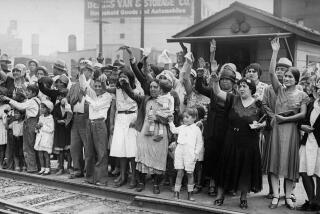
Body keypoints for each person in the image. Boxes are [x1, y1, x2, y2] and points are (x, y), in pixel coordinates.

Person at [265, 38, 309, 210]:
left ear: (296, 79)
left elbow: (303, 114)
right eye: (285, 76)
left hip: (291, 131)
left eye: (290, 76)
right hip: (277, 131)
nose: (286, 78)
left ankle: (288, 198)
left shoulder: (302, 95)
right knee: (275, 163)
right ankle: (276, 196)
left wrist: (285, 119)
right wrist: (275, 51)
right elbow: (270, 73)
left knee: (290, 165)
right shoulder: (279, 90)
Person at [213, 75, 266, 209]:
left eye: (244, 86)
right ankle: (220, 196)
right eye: (239, 86)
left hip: (249, 142)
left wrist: (260, 125)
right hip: (231, 140)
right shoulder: (232, 99)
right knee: (226, 166)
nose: (241, 89)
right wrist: (215, 80)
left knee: (245, 169)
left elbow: (266, 121)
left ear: (251, 89)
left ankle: (243, 198)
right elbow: (218, 92)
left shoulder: (258, 104)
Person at [121, 78, 169, 194]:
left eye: (155, 87)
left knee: (158, 156)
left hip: (160, 131)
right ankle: (141, 182)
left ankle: (156, 184)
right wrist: (126, 85)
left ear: (160, 89)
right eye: (151, 87)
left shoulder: (166, 100)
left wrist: (157, 118)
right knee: (142, 156)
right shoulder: (145, 99)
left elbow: (170, 117)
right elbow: (133, 95)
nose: (152, 89)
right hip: (145, 131)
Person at [109, 68, 142, 188]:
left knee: (131, 150)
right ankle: (123, 176)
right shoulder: (117, 89)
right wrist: (112, 124)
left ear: (130, 78)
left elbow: (140, 106)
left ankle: (133, 177)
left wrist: (137, 120)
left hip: (132, 118)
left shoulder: (136, 90)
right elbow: (113, 105)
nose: (122, 78)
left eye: (125, 76)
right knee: (121, 150)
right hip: (120, 119)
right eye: (120, 76)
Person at [81, 71, 113, 186]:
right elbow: (83, 84)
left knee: (101, 152)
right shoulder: (93, 95)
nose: (98, 88)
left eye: (100, 86)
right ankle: (89, 177)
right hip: (90, 123)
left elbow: (96, 106)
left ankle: (101, 179)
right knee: (89, 152)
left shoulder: (108, 96)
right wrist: (84, 73)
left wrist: (87, 97)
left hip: (100, 124)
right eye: (96, 86)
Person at [1, 84, 41, 173]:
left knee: (28, 146)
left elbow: (20, 106)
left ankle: (32, 167)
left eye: (29, 91)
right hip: (33, 122)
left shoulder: (32, 101)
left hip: (30, 123)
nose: (27, 92)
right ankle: (36, 166)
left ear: (34, 93)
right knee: (33, 145)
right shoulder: (37, 100)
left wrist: (8, 100)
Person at [169, 107, 203, 201]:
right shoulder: (182, 127)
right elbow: (174, 130)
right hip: (180, 152)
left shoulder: (196, 129)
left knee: (190, 173)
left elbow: (199, 143)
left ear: (194, 118)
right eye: (184, 117)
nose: (184, 119)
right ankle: (176, 193)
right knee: (179, 172)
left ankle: (190, 194)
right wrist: (171, 122)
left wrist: (196, 154)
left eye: (187, 117)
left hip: (190, 154)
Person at [298, 84, 320, 211]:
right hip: (308, 141)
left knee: (319, 173)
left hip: (319, 144)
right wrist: (302, 127)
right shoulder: (312, 103)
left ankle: (318, 201)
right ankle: (312, 201)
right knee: (303, 170)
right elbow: (303, 119)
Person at [52, 90, 73, 175]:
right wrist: (58, 121)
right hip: (59, 130)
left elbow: (71, 117)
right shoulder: (56, 106)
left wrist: (65, 121)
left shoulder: (70, 106)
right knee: (60, 150)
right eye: (59, 96)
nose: (61, 98)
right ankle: (61, 167)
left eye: (63, 96)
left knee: (68, 150)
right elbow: (54, 117)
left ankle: (69, 167)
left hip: (67, 130)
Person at [34, 100, 54, 175]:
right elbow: (38, 127)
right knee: (40, 153)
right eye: (41, 107)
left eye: (43, 108)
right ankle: (42, 168)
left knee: (46, 154)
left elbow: (51, 129)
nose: (41, 109)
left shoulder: (50, 118)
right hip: (40, 137)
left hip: (47, 138)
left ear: (48, 109)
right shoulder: (40, 117)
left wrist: (43, 126)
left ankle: (47, 168)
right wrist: (37, 127)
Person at [0, 100, 10, 169]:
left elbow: (5, 117)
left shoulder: (6, 106)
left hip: (2, 127)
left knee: (2, 147)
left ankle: (1, 163)